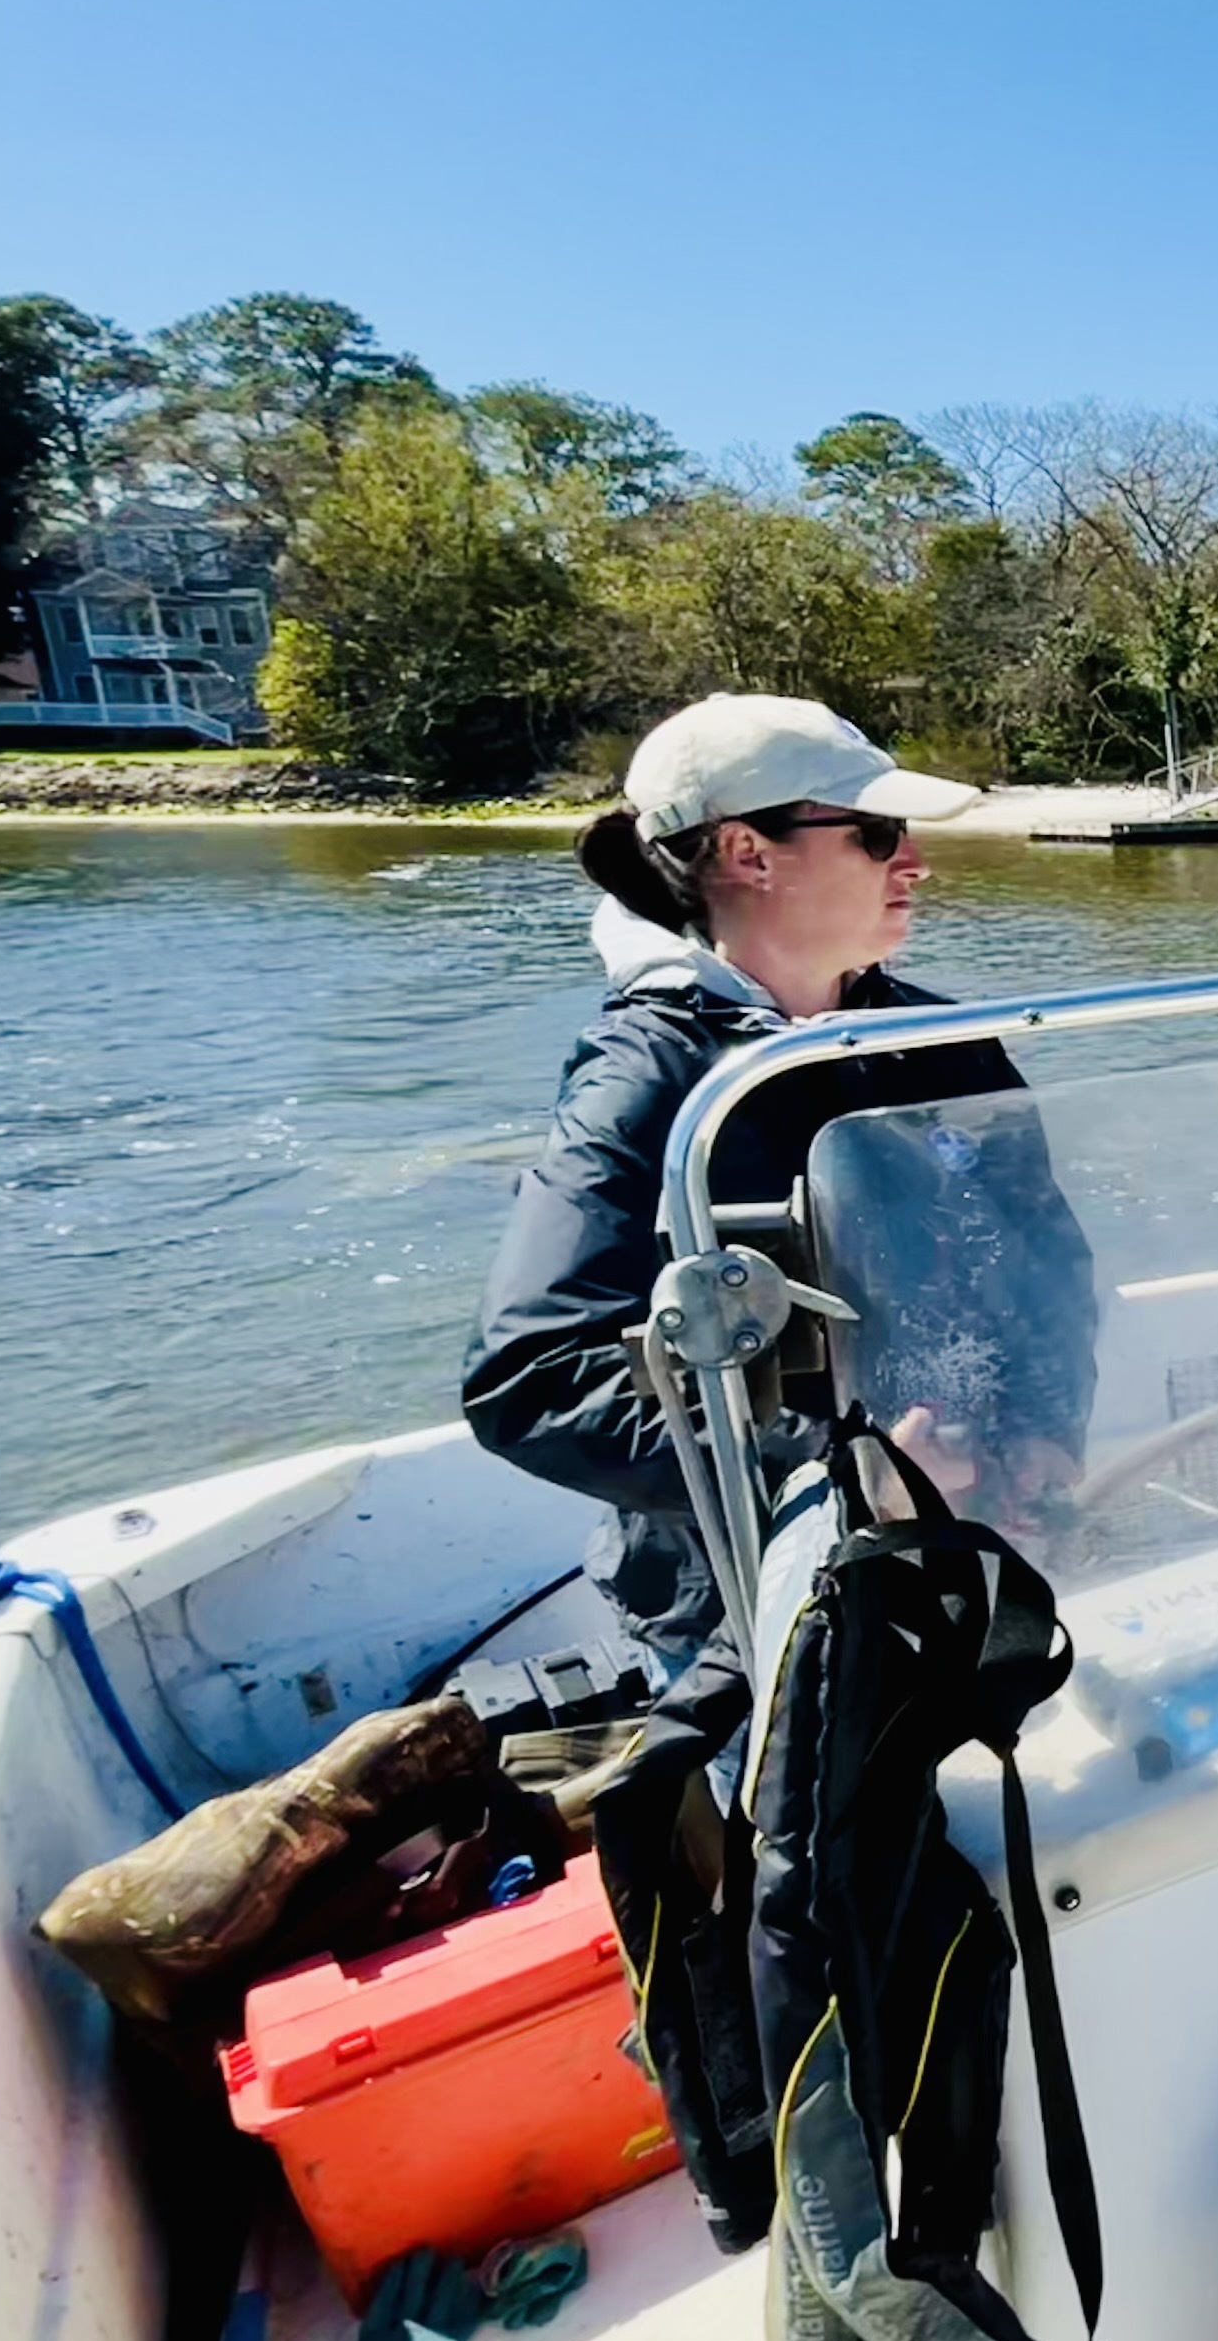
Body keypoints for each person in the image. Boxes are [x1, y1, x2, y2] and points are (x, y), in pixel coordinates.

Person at [462, 694, 1096, 1754]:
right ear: (747, 852)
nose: (915, 864)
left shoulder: (944, 1040)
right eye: (878, 834)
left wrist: (1044, 1434)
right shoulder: (647, 1077)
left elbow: (1049, 1259)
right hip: (758, 1602)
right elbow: (531, 1376)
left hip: (965, 1545)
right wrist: (837, 1474)